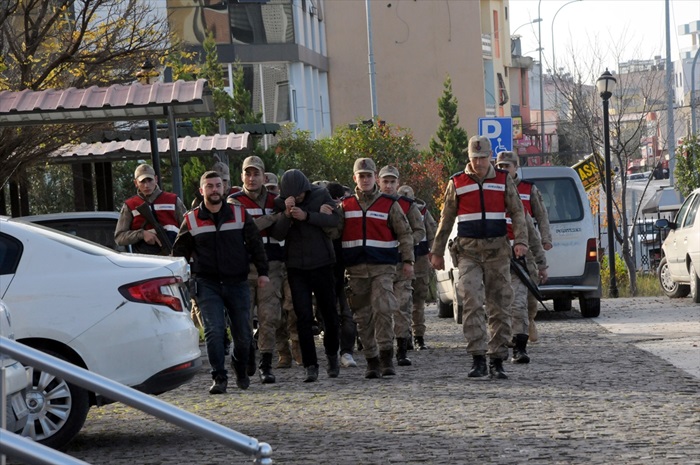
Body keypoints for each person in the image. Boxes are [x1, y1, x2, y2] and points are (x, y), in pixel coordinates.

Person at [430, 136, 528, 380]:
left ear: (490, 158)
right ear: (469, 158)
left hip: (497, 252)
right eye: (475, 159)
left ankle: (497, 359)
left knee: (500, 305)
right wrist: (436, 251)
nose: (479, 163)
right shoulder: (457, 182)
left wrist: (521, 242)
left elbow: (518, 212)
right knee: (471, 301)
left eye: (483, 158)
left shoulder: (503, 180)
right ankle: (477, 357)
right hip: (469, 253)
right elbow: (446, 219)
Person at [172, 170, 269, 394]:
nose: (214, 190)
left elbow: (255, 244)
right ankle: (219, 377)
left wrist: (263, 272)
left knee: (244, 335)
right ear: (201, 190)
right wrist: (179, 279)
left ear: (224, 188)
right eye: (210, 186)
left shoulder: (239, 213)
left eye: (218, 186)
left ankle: (239, 364)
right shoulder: (191, 218)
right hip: (207, 283)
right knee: (214, 331)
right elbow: (179, 253)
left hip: (237, 282)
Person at [337, 157, 415, 379]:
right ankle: (371, 360)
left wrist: (408, 262)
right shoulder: (345, 206)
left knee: (383, 311)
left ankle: (386, 357)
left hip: (383, 269)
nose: (365, 179)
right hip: (356, 271)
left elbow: (405, 234)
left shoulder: (389, 205)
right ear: (355, 178)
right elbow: (334, 234)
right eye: (361, 176)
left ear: (375, 179)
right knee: (363, 318)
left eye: (368, 175)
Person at [270, 169, 341, 382]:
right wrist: (287, 214)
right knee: (302, 317)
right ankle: (310, 365)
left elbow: (335, 221)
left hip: (322, 262)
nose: (298, 198)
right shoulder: (281, 203)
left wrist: (308, 216)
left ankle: (331, 354)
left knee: (329, 314)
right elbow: (277, 233)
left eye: (300, 195)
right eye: (293, 196)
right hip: (296, 266)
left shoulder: (321, 194)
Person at [228, 156, 286, 384]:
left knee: (269, 317)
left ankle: (266, 363)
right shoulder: (234, 201)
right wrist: (271, 218)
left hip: (272, 266)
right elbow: (245, 228)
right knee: (242, 319)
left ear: (264, 176)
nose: (252, 178)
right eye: (247, 174)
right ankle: (244, 355)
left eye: (256, 174)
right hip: (244, 268)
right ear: (241, 176)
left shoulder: (275, 199)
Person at [496, 150, 550, 361]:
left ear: (515, 167)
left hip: (525, 247)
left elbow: (541, 217)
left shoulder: (528, 189)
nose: (503, 170)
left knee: (529, 297)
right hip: (502, 252)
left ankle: (528, 319)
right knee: (511, 299)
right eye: (499, 166)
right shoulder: (494, 190)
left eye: (506, 166)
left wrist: (545, 241)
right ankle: (516, 335)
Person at [377, 165, 425, 367]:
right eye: (385, 181)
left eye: (392, 182)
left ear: (398, 183)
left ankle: (402, 350)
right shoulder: (374, 204)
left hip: (402, 262)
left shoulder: (407, 205)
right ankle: (382, 348)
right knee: (381, 308)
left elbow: (419, 230)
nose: (388, 186)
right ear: (379, 182)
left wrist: (405, 243)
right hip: (380, 264)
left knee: (402, 306)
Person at [397, 184, 437, 351]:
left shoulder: (422, 212)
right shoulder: (392, 209)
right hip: (399, 259)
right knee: (401, 300)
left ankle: (419, 335)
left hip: (419, 258)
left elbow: (432, 233)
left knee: (418, 301)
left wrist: (433, 255)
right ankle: (403, 336)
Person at [115, 164, 187, 255]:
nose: (146, 185)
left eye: (150, 180)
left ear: (156, 179)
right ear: (136, 183)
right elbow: (119, 238)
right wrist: (142, 234)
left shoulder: (173, 200)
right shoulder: (130, 205)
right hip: (145, 260)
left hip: (173, 255)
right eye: (142, 181)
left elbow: (188, 229)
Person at [327, 181, 359, 368]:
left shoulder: (349, 213)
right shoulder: (321, 215)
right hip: (326, 273)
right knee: (330, 316)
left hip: (347, 272)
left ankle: (346, 351)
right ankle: (332, 352)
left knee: (348, 315)